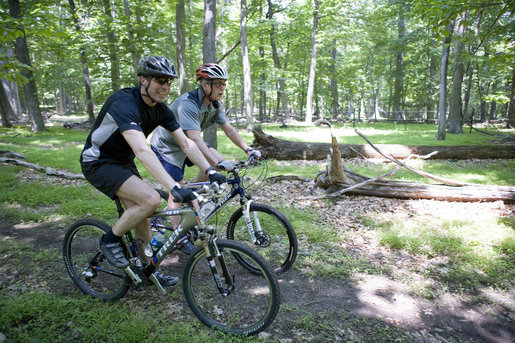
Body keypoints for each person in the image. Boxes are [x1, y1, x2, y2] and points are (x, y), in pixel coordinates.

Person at [80, 56, 226, 288]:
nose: (166, 87)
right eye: (160, 80)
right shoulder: (124, 103)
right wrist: (174, 187)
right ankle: (109, 240)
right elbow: (141, 149)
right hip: (99, 161)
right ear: (143, 80)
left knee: (144, 218)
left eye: (169, 82)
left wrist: (210, 169)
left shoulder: (161, 110)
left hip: (123, 163)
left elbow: (188, 144)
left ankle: (147, 271)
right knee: (150, 200)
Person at [149, 63, 261, 254]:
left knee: (218, 165)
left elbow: (229, 129)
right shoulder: (189, 104)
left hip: (186, 142)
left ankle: (190, 199)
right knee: (177, 190)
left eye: (224, 84)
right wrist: (214, 165)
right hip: (167, 146)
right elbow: (194, 139)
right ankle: (180, 236)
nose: (222, 88)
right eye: (218, 84)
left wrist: (248, 149)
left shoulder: (215, 104)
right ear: (204, 85)